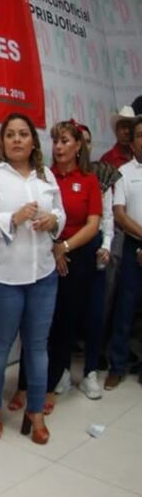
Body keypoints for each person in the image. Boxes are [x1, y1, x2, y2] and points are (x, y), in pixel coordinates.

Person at [0, 113, 63, 444]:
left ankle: (35, 413)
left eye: (24, 134)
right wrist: (13, 217)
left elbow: (61, 215)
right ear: (2, 141)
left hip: (43, 277)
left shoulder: (45, 175)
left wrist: (54, 220)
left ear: (33, 142)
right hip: (0, 278)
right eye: (10, 135)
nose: (18, 140)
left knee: (38, 347)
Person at [12, 121, 102, 410]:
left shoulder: (88, 179)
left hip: (77, 258)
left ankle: (49, 386)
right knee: (36, 326)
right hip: (45, 256)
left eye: (65, 141)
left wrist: (64, 247)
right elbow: (41, 215)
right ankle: (23, 385)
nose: (59, 147)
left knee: (64, 324)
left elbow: (93, 224)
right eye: (55, 141)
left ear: (78, 146)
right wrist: (55, 248)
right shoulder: (44, 176)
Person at [77, 123, 115, 399]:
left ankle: (90, 371)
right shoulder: (57, 176)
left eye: (88, 141)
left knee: (94, 315)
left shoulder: (101, 176)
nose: (84, 146)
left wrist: (105, 245)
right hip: (67, 256)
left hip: (95, 256)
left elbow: (109, 220)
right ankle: (62, 372)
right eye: (80, 140)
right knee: (63, 319)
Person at [107, 118, 142, 390]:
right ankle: (117, 366)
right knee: (125, 308)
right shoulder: (123, 173)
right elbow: (119, 214)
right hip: (133, 248)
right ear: (132, 141)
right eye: (140, 135)